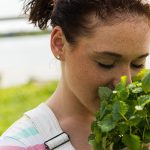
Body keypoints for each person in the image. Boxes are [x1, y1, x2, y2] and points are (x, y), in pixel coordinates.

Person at [0, 0, 150, 149]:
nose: (126, 83)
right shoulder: (19, 144)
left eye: (137, 64)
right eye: (106, 63)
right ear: (59, 43)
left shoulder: (141, 129)